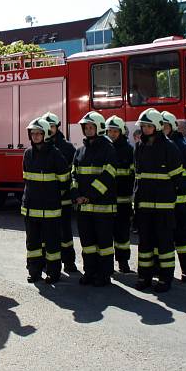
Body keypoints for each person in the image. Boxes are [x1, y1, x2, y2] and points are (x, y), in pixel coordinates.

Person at [133, 108, 183, 292]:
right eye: (143, 126)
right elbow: (137, 177)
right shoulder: (139, 147)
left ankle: (165, 279)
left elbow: (178, 178)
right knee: (145, 244)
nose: (145, 129)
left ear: (157, 127)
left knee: (164, 245)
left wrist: (170, 198)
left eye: (148, 126)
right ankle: (144, 277)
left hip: (164, 207)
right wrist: (135, 202)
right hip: (144, 206)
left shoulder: (170, 147)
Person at [21, 117, 71, 283]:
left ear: (45, 135)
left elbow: (65, 179)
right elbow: (26, 179)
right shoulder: (27, 154)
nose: (35, 136)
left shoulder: (55, 154)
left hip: (50, 208)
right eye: (33, 133)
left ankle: (53, 273)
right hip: (31, 207)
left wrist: (56, 196)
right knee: (33, 244)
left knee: (52, 244)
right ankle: (34, 272)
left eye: (39, 133)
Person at [71, 111, 117, 287]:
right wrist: (75, 195)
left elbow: (108, 175)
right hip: (83, 207)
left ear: (99, 128)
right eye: (86, 127)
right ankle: (89, 272)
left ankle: (104, 275)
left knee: (104, 243)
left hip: (102, 207)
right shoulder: (80, 151)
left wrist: (89, 196)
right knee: (88, 243)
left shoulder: (108, 149)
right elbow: (73, 175)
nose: (88, 130)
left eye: (91, 127)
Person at [161, 111, 186, 282]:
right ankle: (182, 271)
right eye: (161, 126)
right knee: (174, 236)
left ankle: (185, 270)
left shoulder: (183, 147)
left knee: (180, 236)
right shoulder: (168, 146)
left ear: (172, 127)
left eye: (165, 126)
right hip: (171, 200)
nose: (163, 129)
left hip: (177, 200)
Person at [42, 111, 78, 273]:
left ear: (57, 127)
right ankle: (44, 261)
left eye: (52, 127)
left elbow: (71, 174)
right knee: (46, 232)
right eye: (47, 127)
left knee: (65, 233)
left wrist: (67, 192)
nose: (49, 130)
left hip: (63, 198)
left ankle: (69, 262)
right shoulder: (39, 147)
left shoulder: (68, 148)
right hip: (47, 198)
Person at [106, 115, 134, 273]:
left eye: (115, 131)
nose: (112, 134)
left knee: (122, 234)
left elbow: (133, 175)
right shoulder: (104, 148)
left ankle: (123, 262)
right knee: (106, 234)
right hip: (106, 199)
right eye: (110, 131)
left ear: (121, 132)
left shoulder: (129, 150)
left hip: (123, 199)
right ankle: (108, 265)